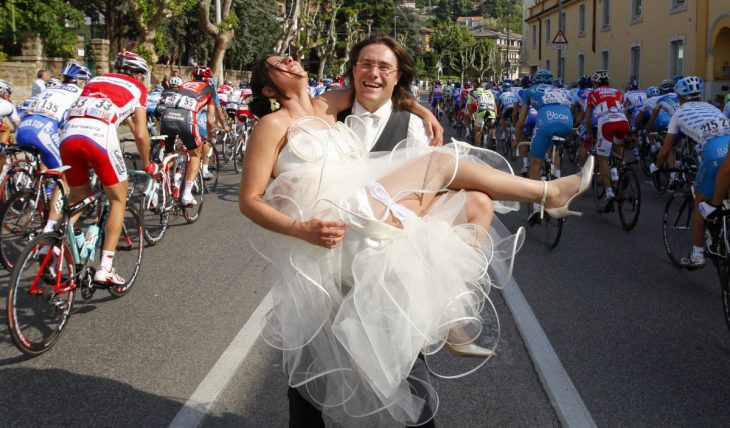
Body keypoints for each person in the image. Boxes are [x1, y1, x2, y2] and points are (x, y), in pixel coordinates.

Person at [239, 52, 594, 426]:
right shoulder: (273, 124)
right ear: (268, 87)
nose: (292, 61)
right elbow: (249, 200)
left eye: (290, 57)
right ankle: (548, 194)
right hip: (334, 224)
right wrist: (301, 230)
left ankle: (451, 315)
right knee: (440, 164)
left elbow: (390, 92)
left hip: (362, 213)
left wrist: (423, 112)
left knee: (475, 203)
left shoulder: (327, 105)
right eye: (280, 64)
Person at [59, 51, 154, 285]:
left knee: (78, 196)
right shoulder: (138, 89)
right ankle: (106, 268)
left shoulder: (96, 79)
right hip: (99, 135)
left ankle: (53, 246)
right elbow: (141, 134)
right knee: (118, 199)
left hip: (69, 132)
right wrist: (147, 163)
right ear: (139, 75)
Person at [651, 77, 730, 269]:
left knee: (700, 204)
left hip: (714, 152)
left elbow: (665, 149)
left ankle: (697, 254)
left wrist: (657, 166)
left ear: (679, 96)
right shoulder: (713, 108)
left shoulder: (678, 113)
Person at [16, 62, 91, 233]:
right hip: (44, 129)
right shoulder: (80, 93)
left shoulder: (50, 89)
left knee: (46, 165)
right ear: (81, 81)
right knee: (65, 175)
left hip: (23, 127)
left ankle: (37, 193)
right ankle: (50, 227)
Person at [157, 65, 219, 197]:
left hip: (166, 117)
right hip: (186, 119)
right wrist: (209, 136)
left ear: (193, 77)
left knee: (169, 155)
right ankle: (186, 194)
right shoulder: (210, 89)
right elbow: (210, 120)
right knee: (195, 154)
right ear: (208, 79)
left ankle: (155, 184)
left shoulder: (183, 85)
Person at [584, 70, 630, 212]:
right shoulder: (617, 92)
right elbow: (625, 110)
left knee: (602, 158)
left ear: (596, 83)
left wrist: (590, 134)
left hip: (606, 122)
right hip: (623, 121)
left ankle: (609, 192)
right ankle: (620, 171)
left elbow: (587, 119)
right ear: (608, 83)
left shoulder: (592, 93)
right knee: (618, 146)